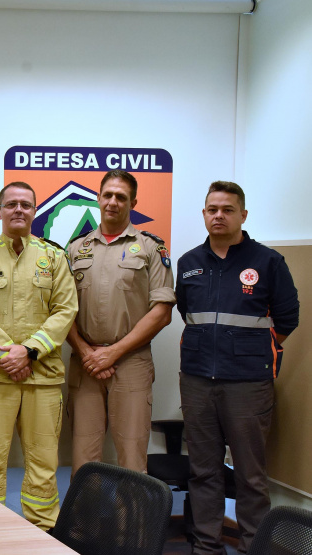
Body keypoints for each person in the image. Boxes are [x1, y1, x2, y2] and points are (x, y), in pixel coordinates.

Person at [176, 181, 299, 555]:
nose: (219, 215)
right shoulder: (189, 263)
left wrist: (250, 350)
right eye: (212, 209)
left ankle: (252, 548)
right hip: (197, 380)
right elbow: (187, 312)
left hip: (248, 383)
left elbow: (287, 317)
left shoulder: (267, 261)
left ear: (242, 215)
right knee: (204, 471)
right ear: (203, 214)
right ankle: (206, 546)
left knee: (249, 475)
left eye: (227, 209)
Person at [0, 181, 77, 530]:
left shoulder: (54, 256)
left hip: (42, 377)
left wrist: (29, 351)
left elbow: (65, 309)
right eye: (11, 204)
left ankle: (43, 532)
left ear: (35, 211)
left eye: (26, 204)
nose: (18, 210)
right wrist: (8, 356)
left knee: (43, 463)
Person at [65, 170, 175, 475]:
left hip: (131, 362)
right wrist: (87, 352)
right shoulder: (75, 248)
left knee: (132, 457)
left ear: (133, 202)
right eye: (108, 195)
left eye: (121, 197)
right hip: (85, 364)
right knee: (84, 459)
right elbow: (62, 310)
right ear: (98, 198)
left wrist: (113, 353)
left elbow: (162, 311)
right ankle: (84, 524)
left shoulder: (152, 247)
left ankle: (134, 525)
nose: (113, 202)